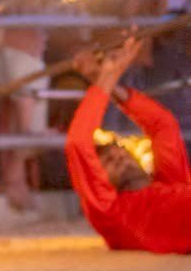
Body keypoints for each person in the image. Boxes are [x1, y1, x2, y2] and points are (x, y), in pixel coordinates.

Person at [65, 36, 191, 254]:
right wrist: (106, 76)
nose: (121, 158)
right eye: (110, 162)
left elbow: (162, 125)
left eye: (122, 152)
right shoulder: (110, 211)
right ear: (100, 180)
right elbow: (78, 143)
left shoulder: (169, 183)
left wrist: (104, 79)